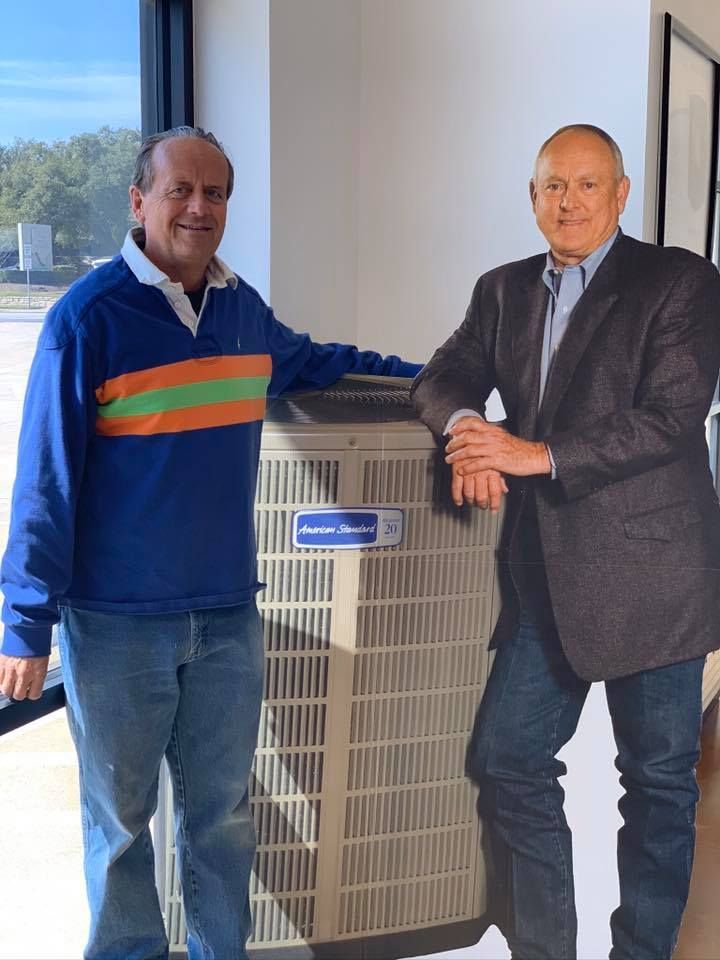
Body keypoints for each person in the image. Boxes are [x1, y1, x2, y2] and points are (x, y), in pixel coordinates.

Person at [0, 126, 421, 960]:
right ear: (138, 202)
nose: (199, 207)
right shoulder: (85, 321)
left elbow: (317, 361)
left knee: (223, 820)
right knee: (119, 829)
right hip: (117, 624)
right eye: (180, 190)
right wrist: (25, 622)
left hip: (228, 614)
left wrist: (433, 379)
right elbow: (45, 482)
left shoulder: (240, 309)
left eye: (216, 193)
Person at [411, 123, 720, 960]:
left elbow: (667, 419)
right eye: (553, 185)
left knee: (656, 788)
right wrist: (471, 431)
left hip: (656, 580)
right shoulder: (503, 289)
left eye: (588, 185)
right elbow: (439, 378)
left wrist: (528, 454)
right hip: (543, 574)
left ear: (621, 195)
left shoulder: (680, 282)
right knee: (510, 762)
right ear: (532, 196)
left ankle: (639, 952)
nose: (568, 201)